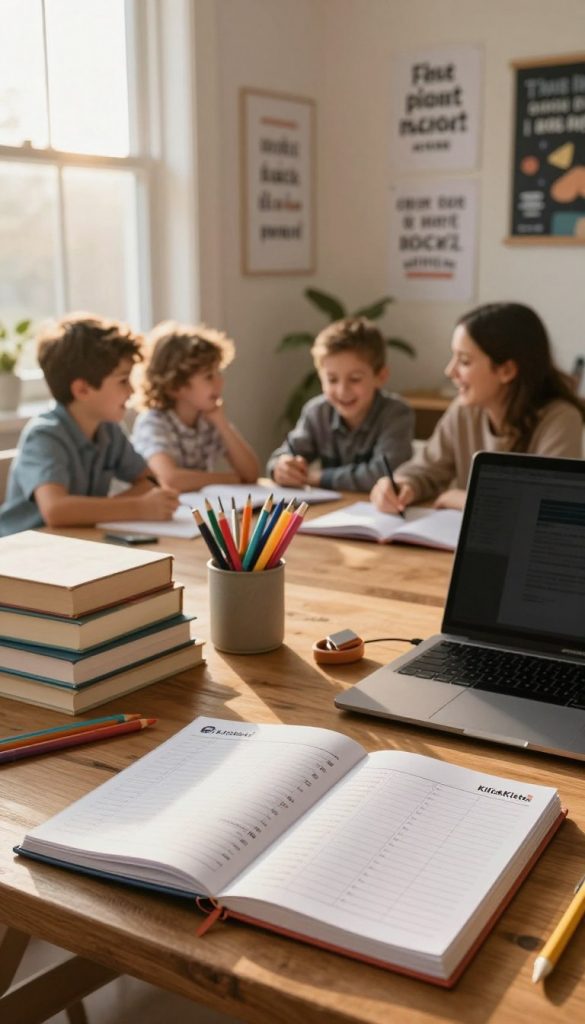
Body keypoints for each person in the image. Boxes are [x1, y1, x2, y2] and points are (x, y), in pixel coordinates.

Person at [370, 302, 585, 514]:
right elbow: (425, 468)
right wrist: (400, 485)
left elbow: (546, 503)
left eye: (464, 361)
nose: (449, 371)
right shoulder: (464, 410)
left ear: (506, 370)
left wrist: (462, 499)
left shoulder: (561, 419)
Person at [0, 313, 179, 536]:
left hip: (76, 543)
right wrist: (139, 507)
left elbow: (150, 481)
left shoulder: (109, 429)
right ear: (82, 390)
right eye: (123, 380)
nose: (131, 391)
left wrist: (97, 510)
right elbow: (56, 510)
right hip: (22, 554)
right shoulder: (45, 435)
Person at [267, 316, 413, 491]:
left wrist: (319, 477)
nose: (343, 391)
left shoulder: (396, 414)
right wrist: (280, 468)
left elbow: (384, 474)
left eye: (355, 379)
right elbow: (284, 455)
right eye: (332, 379)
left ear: (380, 376)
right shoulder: (317, 412)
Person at [131, 321, 260, 490]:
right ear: (176, 386)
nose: (219, 382)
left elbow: (250, 473)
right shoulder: (153, 422)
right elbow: (169, 479)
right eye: (208, 376)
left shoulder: (207, 419)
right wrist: (229, 479)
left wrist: (222, 424)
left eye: (218, 372)